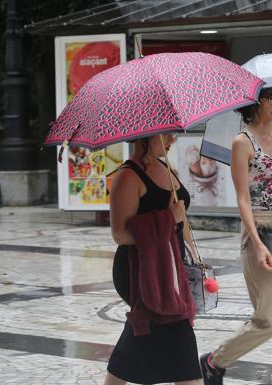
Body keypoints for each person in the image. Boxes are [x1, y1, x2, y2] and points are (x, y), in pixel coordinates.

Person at [200, 86, 272, 385]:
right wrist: (257, 243)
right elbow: (243, 198)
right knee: (270, 319)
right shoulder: (242, 142)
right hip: (260, 228)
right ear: (254, 102)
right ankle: (214, 360)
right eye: (270, 97)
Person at [105, 133, 203, 385]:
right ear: (145, 136)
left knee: (145, 330)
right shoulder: (128, 176)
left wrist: (192, 254)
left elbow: (180, 217)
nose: (172, 138)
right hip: (140, 270)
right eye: (166, 134)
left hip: (169, 266)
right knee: (174, 330)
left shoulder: (164, 166)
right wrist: (168, 218)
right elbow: (120, 234)